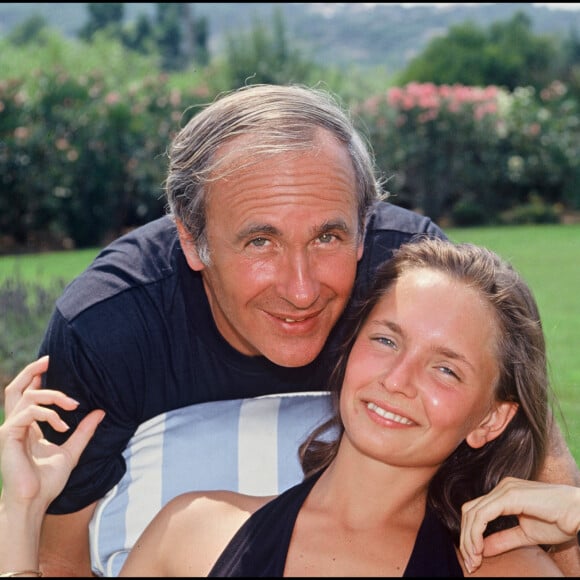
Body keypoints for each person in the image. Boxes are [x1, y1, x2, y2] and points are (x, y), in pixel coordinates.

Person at [16, 83, 580, 576]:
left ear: (365, 229)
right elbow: (61, 561)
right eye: (260, 242)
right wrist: (17, 510)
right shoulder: (107, 329)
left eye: (328, 238)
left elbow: (515, 407)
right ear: (191, 239)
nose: (302, 289)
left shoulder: (411, 280)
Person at [1, 237, 578, 577]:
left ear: (491, 419)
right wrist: (20, 511)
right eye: (386, 340)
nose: (398, 379)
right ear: (349, 350)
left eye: (446, 368)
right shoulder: (195, 530)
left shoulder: (498, 568)